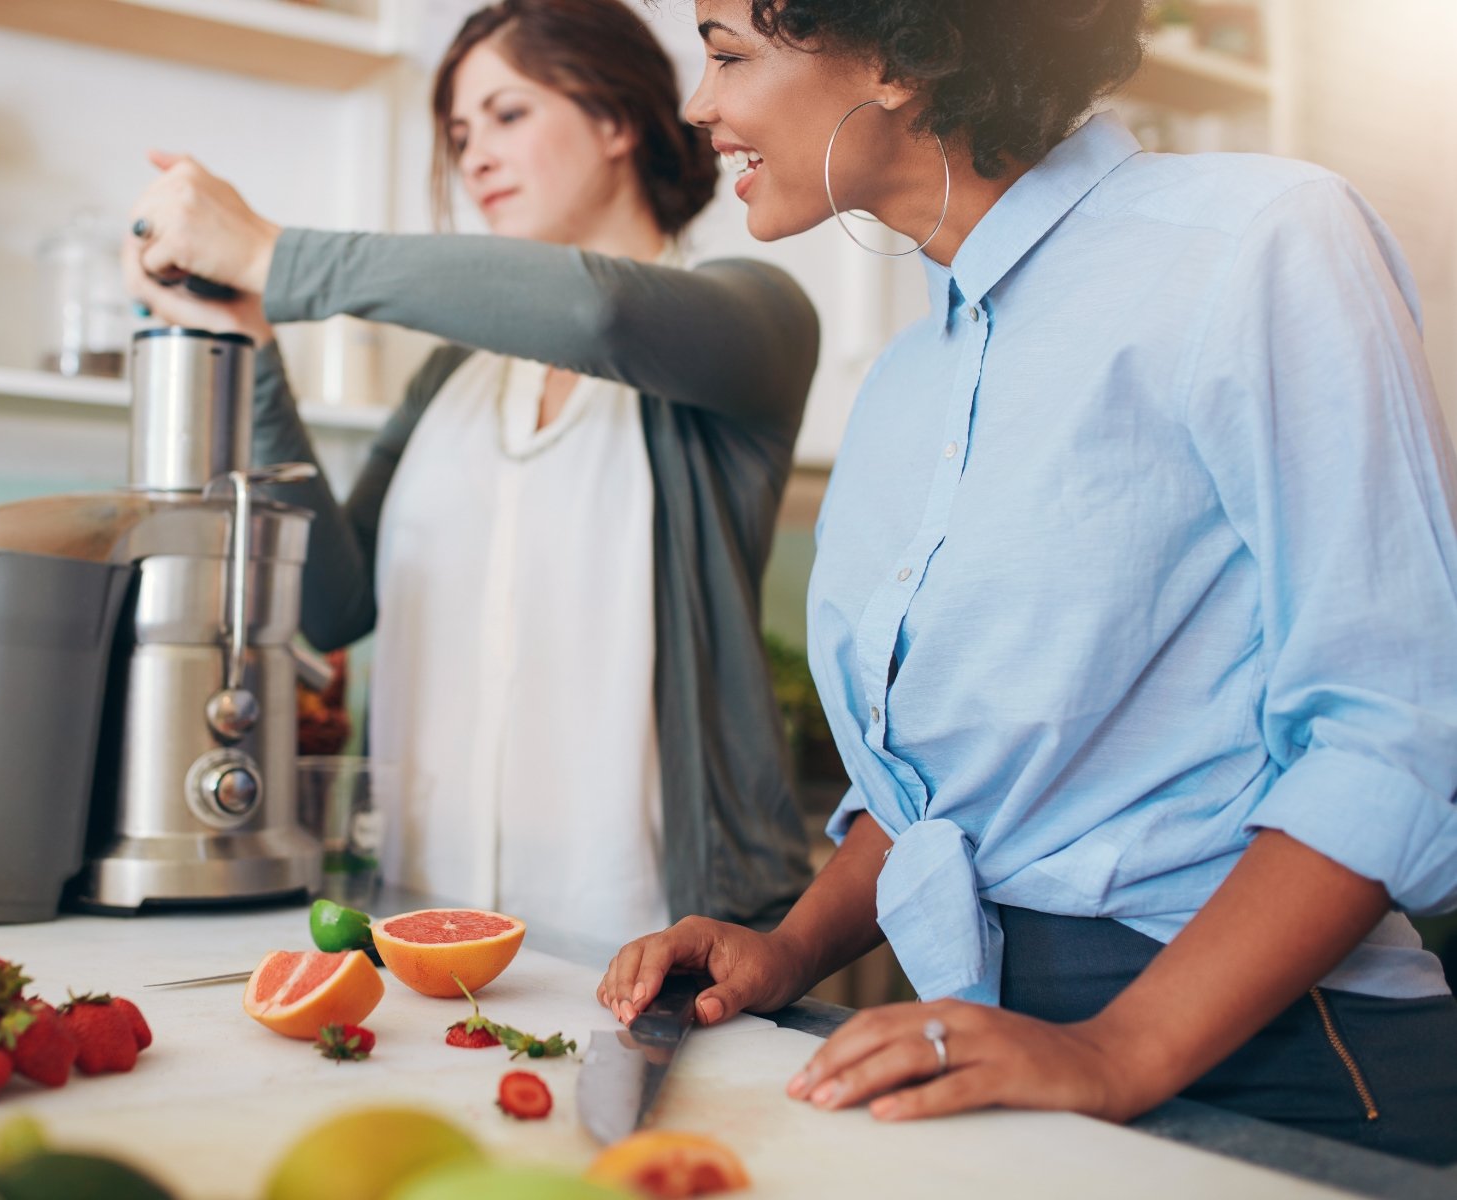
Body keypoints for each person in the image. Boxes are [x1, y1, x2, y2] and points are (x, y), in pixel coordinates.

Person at [596, 0, 1457, 1164]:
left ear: (899, 53)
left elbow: (1395, 729)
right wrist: (790, 949)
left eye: (726, 51)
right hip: (1002, 1040)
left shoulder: (1256, 239)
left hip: (1278, 1059)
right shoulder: (908, 376)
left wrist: (1118, 1050)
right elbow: (941, 798)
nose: (699, 102)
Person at [124, 0, 819, 945]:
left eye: (507, 114)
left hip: (655, 942)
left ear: (615, 118)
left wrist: (273, 253)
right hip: (414, 927)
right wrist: (255, 346)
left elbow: (600, 316)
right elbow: (333, 604)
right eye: (457, 133)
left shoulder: (752, 320)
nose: (474, 154)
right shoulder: (454, 374)